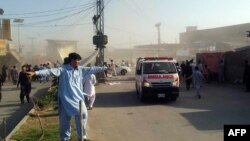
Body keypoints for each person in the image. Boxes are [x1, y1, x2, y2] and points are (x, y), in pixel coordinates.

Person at [26, 53, 106, 141]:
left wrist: (105, 68)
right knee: (64, 122)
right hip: (65, 100)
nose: (79, 62)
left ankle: (82, 137)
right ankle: (65, 138)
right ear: (72, 60)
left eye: (79, 60)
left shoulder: (80, 69)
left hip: (78, 100)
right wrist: (36, 73)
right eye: (77, 60)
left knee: (83, 114)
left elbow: (93, 69)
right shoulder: (63, 70)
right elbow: (50, 71)